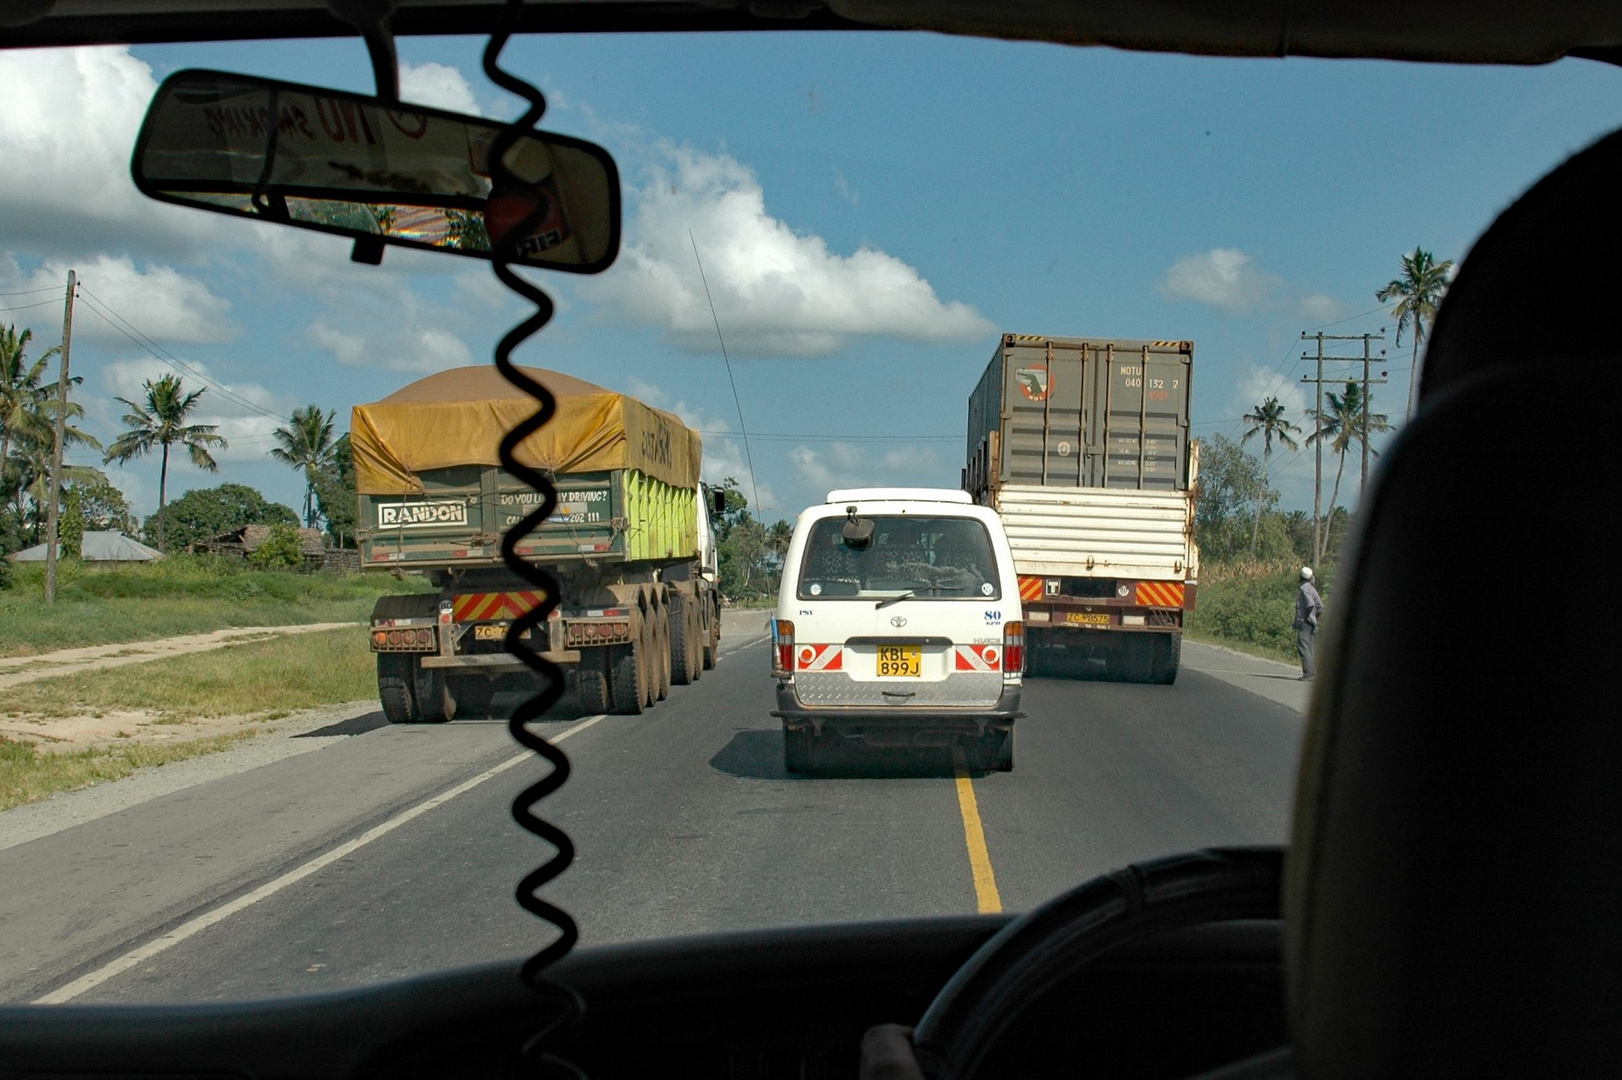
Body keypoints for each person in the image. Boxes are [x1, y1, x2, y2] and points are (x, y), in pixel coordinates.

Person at [1294, 566, 1324, 681]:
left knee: (1304, 648)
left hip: (1305, 622)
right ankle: (1312, 673)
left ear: (1300, 577)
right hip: (1312, 623)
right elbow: (1320, 607)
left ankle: (1308, 674)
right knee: (1310, 648)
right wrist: (1315, 618)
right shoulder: (1312, 589)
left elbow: (1310, 604)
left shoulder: (1304, 589)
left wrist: (1308, 617)